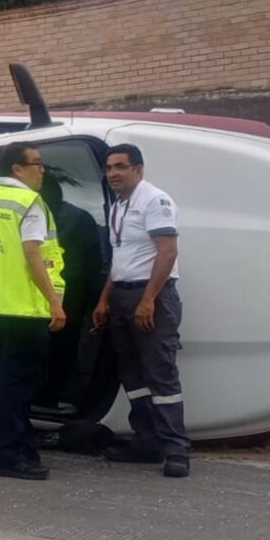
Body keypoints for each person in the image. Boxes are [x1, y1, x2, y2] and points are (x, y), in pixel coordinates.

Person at [0, 144, 67, 480]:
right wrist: (54, 301)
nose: (42, 170)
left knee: (11, 382)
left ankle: (22, 449)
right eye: (36, 164)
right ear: (17, 168)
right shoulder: (29, 202)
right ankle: (8, 456)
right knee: (17, 386)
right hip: (25, 308)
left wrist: (0, 257)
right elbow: (32, 253)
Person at [91, 143, 191, 478]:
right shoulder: (118, 205)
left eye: (120, 167)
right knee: (132, 373)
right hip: (122, 294)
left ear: (138, 169)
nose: (113, 173)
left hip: (152, 297)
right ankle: (147, 442)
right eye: (109, 168)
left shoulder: (154, 200)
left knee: (160, 373)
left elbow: (167, 253)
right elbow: (121, 258)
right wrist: (105, 299)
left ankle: (176, 450)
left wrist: (148, 299)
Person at [34, 175, 104, 412]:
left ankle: (45, 399)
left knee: (53, 351)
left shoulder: (34, 217)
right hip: (69, 299)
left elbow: (92, 265)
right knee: (62, 351)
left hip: (56, 299)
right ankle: (51, 398)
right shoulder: (80, 218)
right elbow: (94, 265)